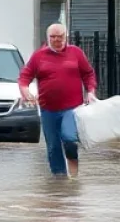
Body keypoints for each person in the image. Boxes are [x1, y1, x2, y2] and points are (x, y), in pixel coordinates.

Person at [19, 23, 97, 178]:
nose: (56, 40)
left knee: (69, 138)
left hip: (72, 108)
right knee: (53, 146)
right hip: (48, 109)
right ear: (48, 38)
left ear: (65, 36)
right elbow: (24, 77)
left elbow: (88, 74)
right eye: (53, 37)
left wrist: (91, 91)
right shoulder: (39, 56)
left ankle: (74, 173)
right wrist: (26, 91)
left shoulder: (76, 53)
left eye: (60, 36)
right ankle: (59, 180)